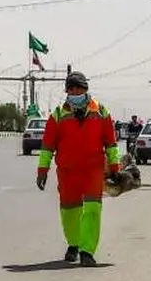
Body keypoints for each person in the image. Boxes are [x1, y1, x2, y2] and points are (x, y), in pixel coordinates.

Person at [35, 71, 122, 267]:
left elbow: (110, 142)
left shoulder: (101, 112)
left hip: (93, 170)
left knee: (92, 209)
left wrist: (114, 165)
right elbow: (47, 146)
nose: (75, 92)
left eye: (79, 89)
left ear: (85, 89)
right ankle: (74, 244)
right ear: (67, 91)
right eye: (71, 89)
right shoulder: (58, 114)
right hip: (68, 171)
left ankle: (87, 251)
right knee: (69, 210)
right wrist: (42, 170)